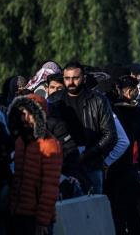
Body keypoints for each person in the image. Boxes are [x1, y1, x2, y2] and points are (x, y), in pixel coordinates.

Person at [7, 94, 62, 235]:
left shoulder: (49, 144)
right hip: (20, 213)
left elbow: (50, 187)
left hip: (37, 217)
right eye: (22, 113)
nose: (25, 118)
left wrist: (42, 221)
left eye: (29, 113)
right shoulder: (21, 141)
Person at [48, 61, 117, 194]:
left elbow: (110, 134)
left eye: (75, 78)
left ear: (83, 78)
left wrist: (89, 153)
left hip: (91, 163)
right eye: (67, 78)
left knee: (94, 204)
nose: (71, 82)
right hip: (63, 163)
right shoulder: (54, 100)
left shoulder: (98, 100)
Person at [106, 76, 140, 235]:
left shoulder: (118, 112)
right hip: (131, 165)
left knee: (122, 211)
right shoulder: (135, 111)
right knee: (130, 210)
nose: (133, 92)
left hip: (121, 166)